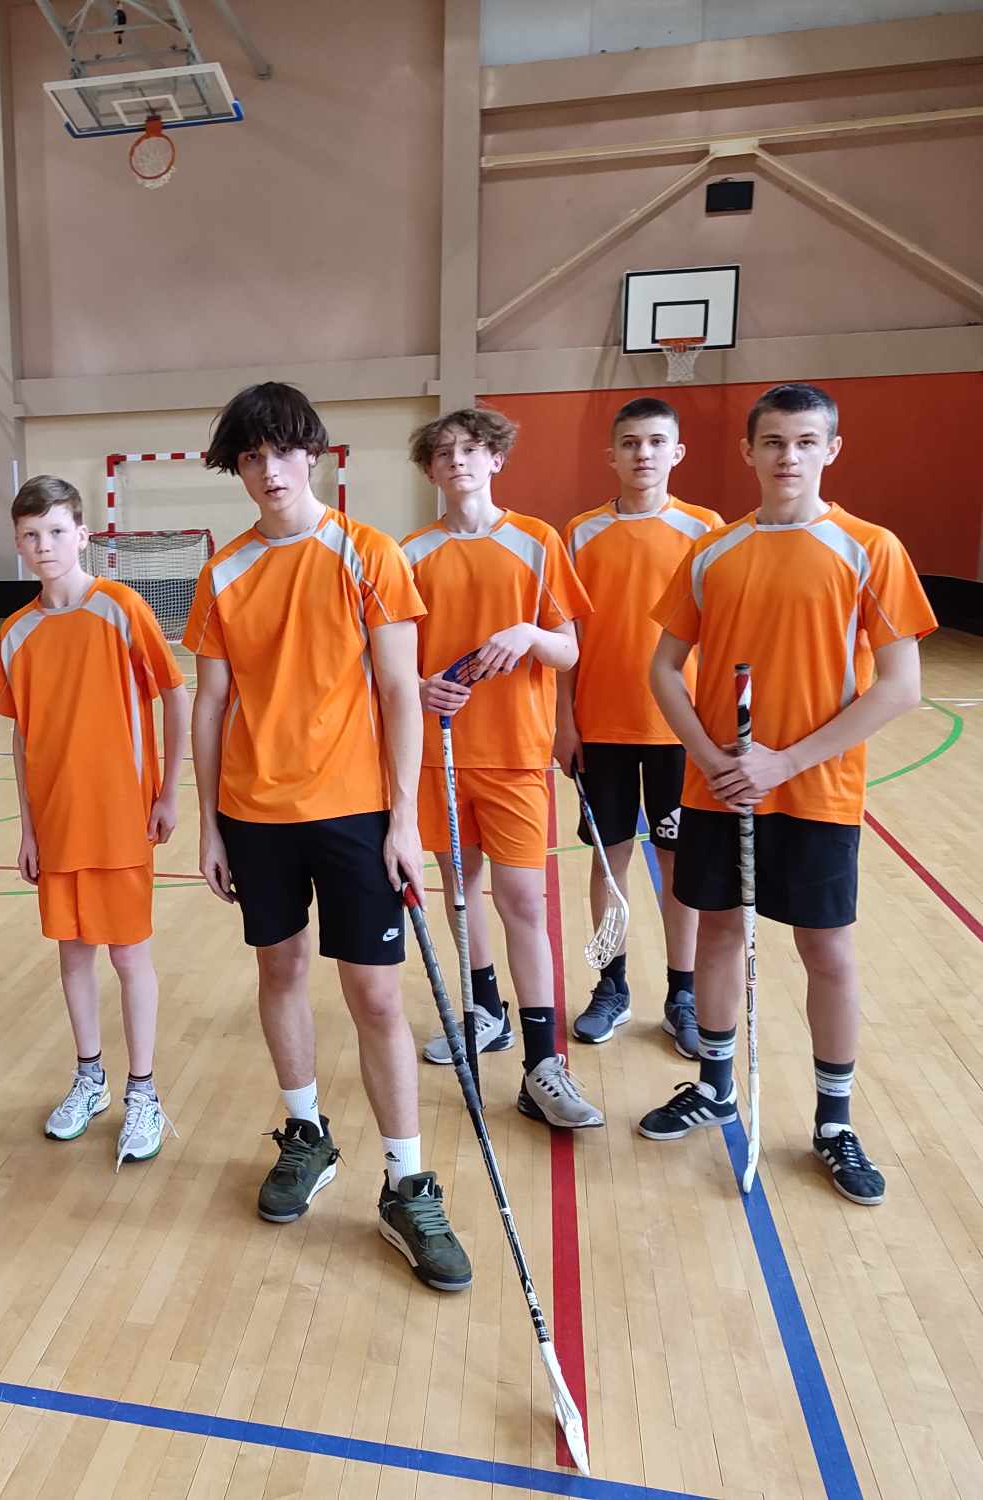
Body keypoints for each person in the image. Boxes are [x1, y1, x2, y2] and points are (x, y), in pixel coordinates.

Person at [185, 382, 472, 1292]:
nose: (268, 471)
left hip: (355, 814)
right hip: (254, 814)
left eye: (282, 452)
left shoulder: (367, 553)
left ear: (313, 454)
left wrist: (404, 818)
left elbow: (399, 692)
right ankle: (306, 1133)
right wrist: (209, 824)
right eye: (250, 457)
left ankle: (406, 1182)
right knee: (279, 972)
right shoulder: (224, 573)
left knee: (377, 998)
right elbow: (210, 703)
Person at [640, 382, 935, 1206]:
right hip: (719, 788)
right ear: (748, 451)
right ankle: (714, 1085)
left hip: (816, 791)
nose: (788, 456)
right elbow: (664, 669)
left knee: (826, 951)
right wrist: (711, 757)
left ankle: (834, 1122)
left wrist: (785, 762)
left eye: (806, 442)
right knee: (719, 934)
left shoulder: (869, 547)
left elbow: (901, 686)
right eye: (773, 441)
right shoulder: (713, 552)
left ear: (831, 449)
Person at [403, 406, 602, 1129]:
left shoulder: (537, 541)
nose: (457, 460)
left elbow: (568, 651)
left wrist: (528, 633)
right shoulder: (412, 552)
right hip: (441, 754)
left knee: (523, 902)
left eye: (470, 449)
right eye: (443, 453)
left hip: (515, 755)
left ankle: (542, 1065)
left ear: (496, 459)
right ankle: (484, 1011)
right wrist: (419, 686)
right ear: (430, 470)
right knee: (460, 894)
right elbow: (390, 660)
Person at [0, 477, 188, 1170]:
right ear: (18, 544)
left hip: (120, 818)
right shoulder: (16, 632)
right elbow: (22, 735)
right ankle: (90, 1078)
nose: (43, 545)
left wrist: (169, 792)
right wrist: (27, 828)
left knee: (129, 956)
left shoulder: (121, 607)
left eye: (55, 531)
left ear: (82, 534)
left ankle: (144, 1091)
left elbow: (174, 694)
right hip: (56, 823)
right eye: (30, 535)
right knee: (73, 953)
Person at [556, 397, 723, 1056]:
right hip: (601, 728)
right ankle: (610, 984)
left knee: (681, 867)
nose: (643, 453)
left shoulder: (706, 529)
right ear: (612, 455)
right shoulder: (580, 532)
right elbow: (568, 637)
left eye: (656, 442)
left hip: (680, 731)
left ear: (677, 453)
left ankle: (683, 993)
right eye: (630, 442)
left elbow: (720, 631)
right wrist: (564, 720)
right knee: (609, 862)